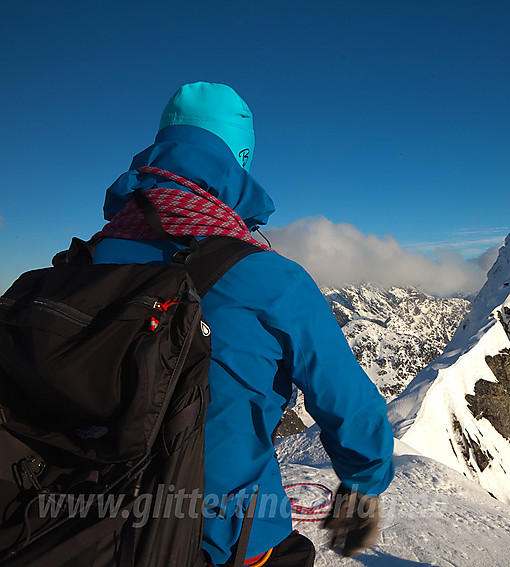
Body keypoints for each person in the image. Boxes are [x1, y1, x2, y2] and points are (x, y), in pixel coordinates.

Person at [91, 82, 395, 566]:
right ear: (241, 161)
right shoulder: (270, 278)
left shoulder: (90, 257)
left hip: (84, 523)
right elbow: (348, 402)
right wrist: (362, 484)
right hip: (217, 539)